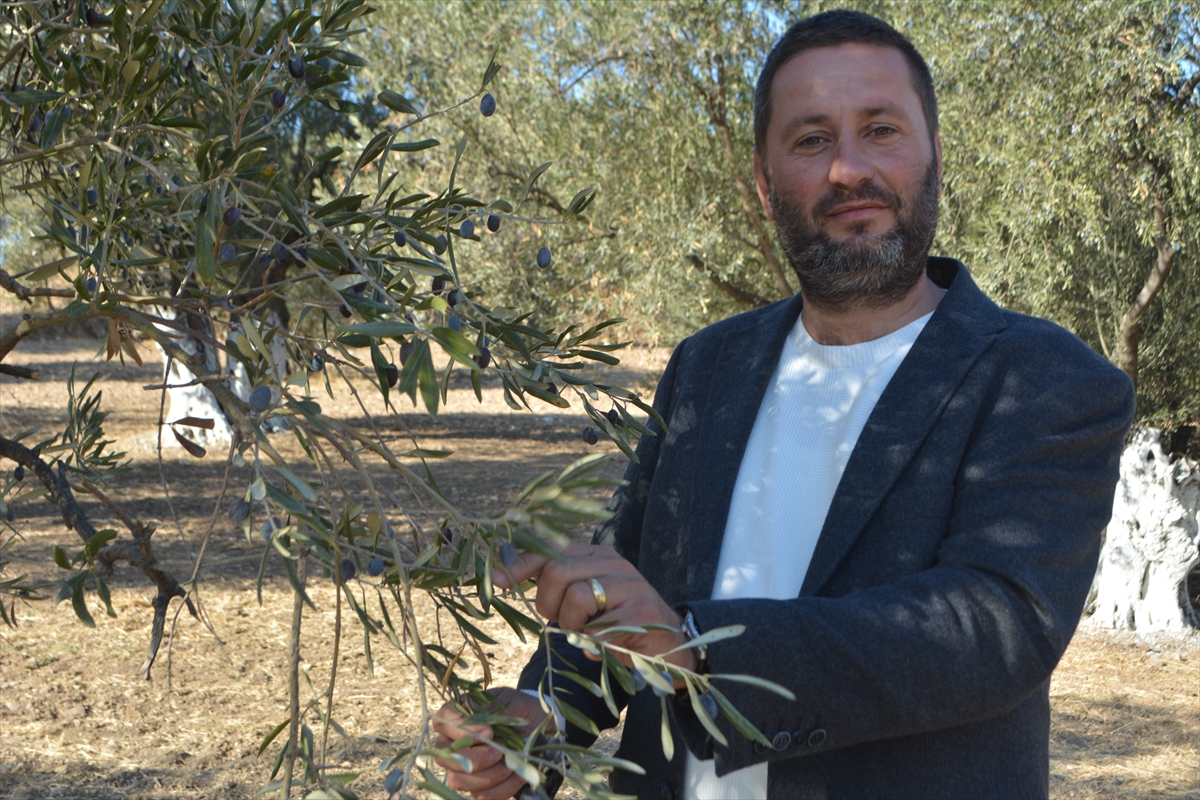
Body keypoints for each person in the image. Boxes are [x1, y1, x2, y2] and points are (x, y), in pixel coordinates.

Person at [433, 10, 1136, 799]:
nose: (848, 169)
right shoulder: (709, 366)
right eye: (811, 140)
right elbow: (630, 582)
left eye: (881, 130)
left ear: (936, 157)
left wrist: (698, 648)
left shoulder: (1042, 379)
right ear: (766, 188)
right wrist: (542, 717)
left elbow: (996, 626)